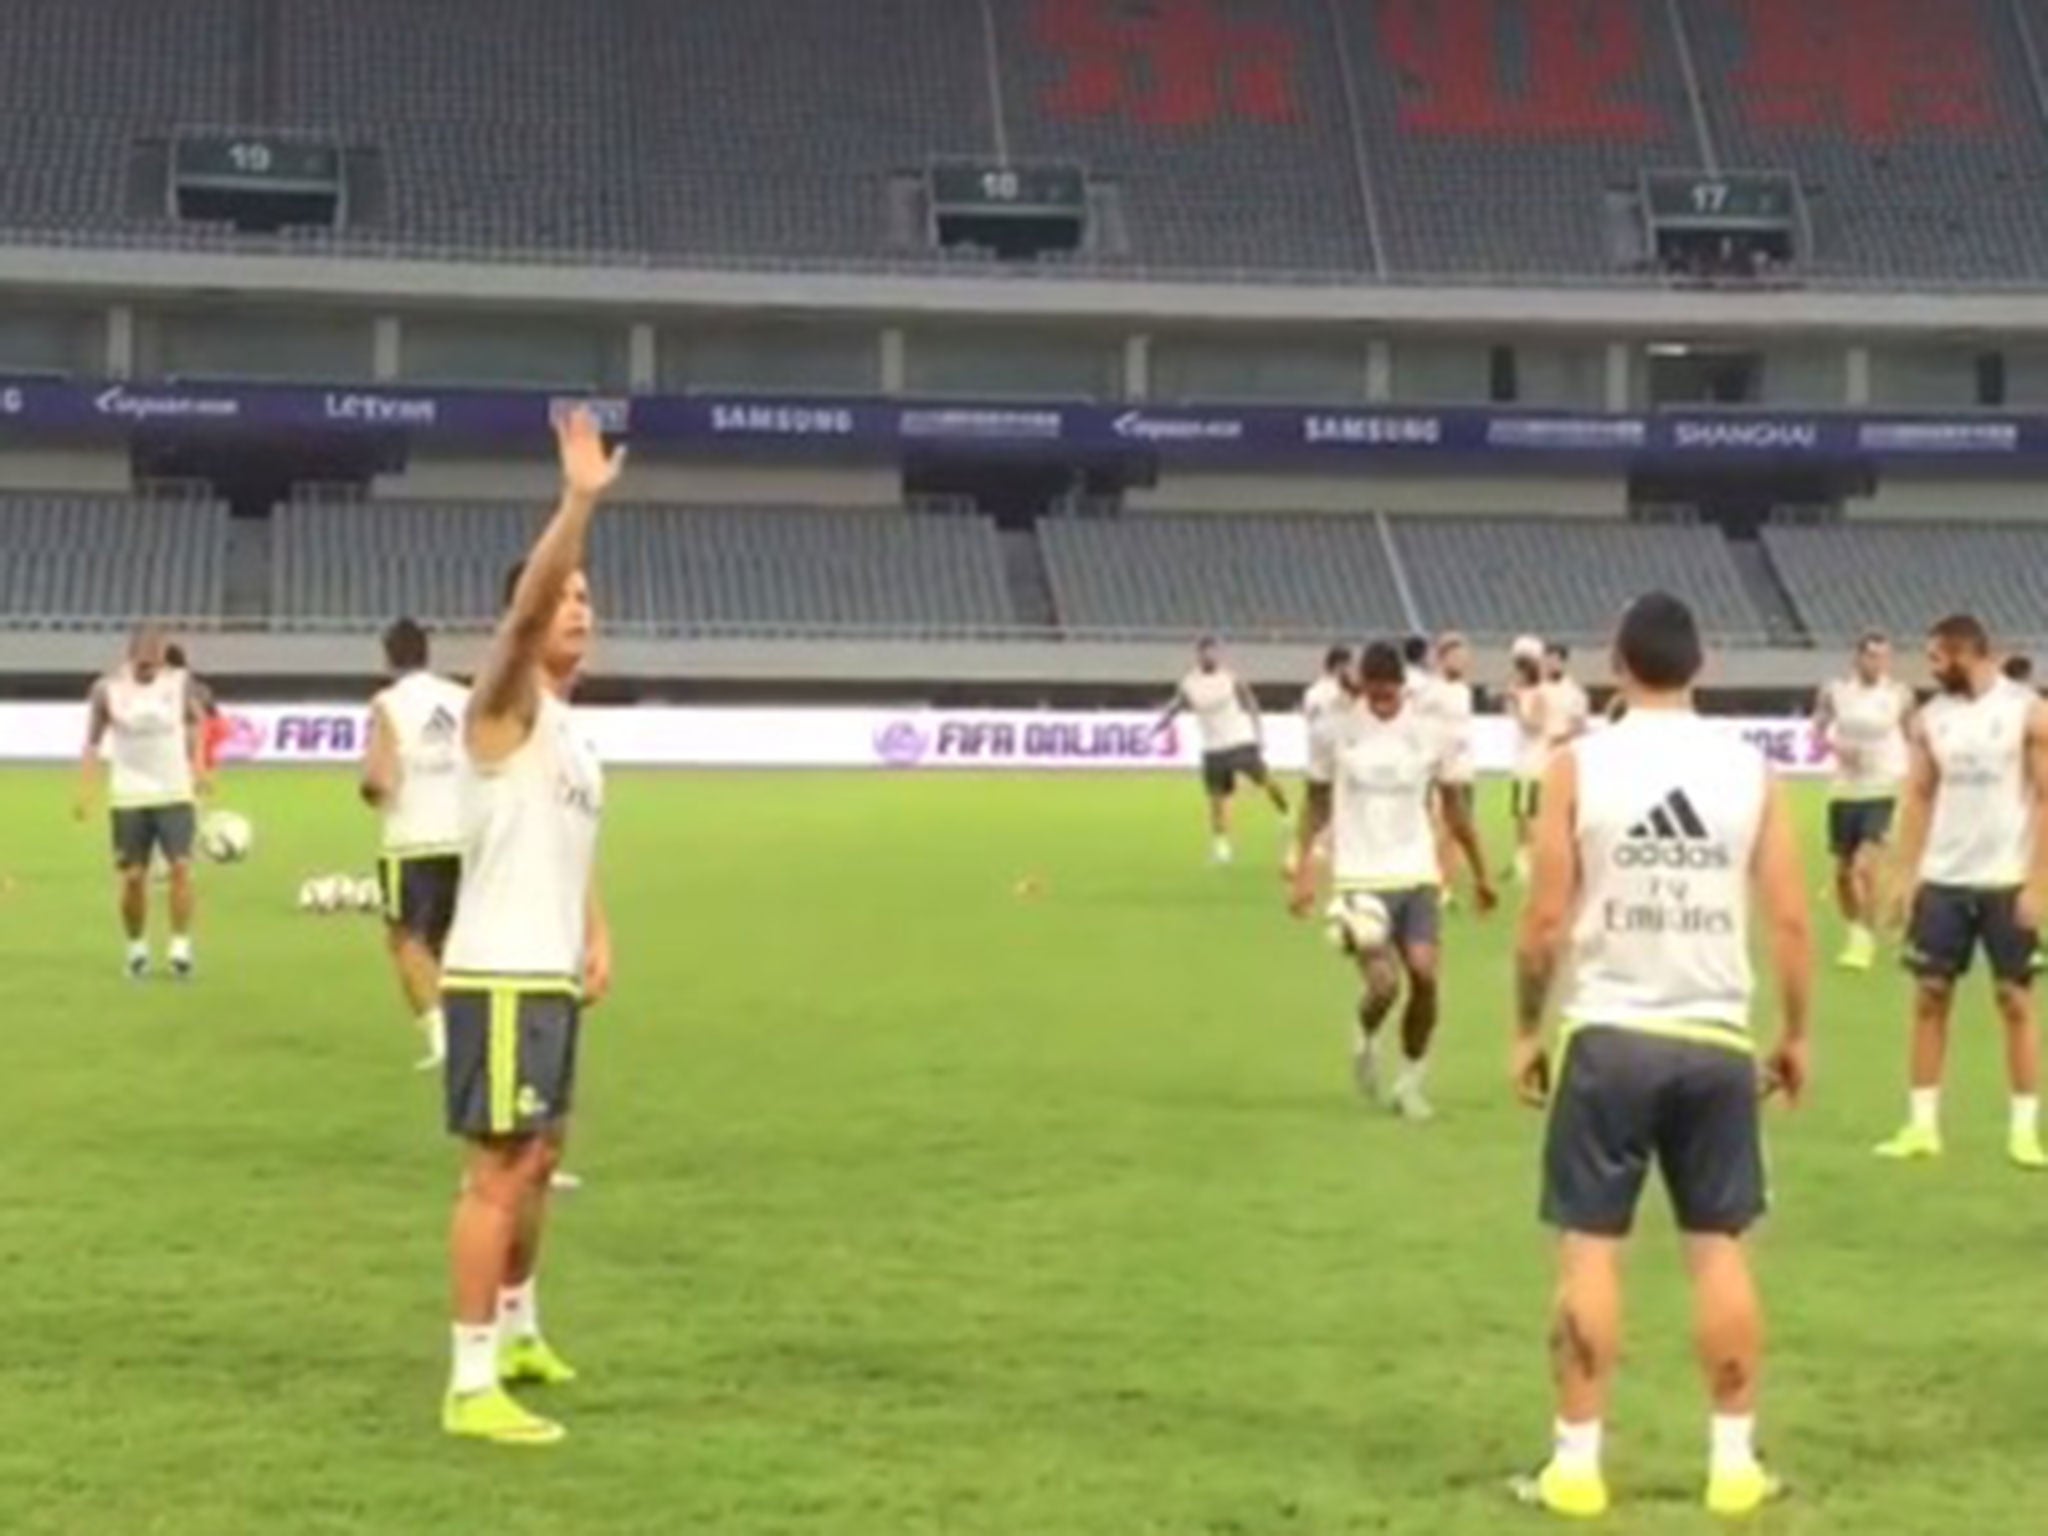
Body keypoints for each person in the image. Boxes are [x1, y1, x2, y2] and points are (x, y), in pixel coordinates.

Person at [1510, 591, 1812, 1519]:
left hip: (1609, 1033)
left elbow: (1546, 919)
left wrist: (1527, 1027)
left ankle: (1576, 1467)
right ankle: (1732, 1467)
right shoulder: (1748, 770)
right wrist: (1796, 1032)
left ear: (1615, 663)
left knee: (1591, 1252)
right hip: (1715, 1035)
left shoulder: (1577, 765)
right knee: (1717, 1250)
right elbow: (1793, 919)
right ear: (1702, 666)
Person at [438, 408, 620, 1446]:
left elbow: (565, 848)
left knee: (539, 1163)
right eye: (566, 598)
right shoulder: (500, 703)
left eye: (590, 599)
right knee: (497, 1173)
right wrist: (579, 505)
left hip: (546, 975)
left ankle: (515, 1332)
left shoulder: (571, 737)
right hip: (500, 975)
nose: (580, 611)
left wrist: (595, 929)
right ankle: (468, 1384)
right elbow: (518, 626)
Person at [1289, 641, 1496, 1120]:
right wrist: (1303, 871)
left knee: (1424, 976)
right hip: (1360, 876)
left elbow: (1456, 809)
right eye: (1373, 693)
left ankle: (1410, 1083)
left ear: (1403, 688)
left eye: (1389, 694)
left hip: (1417, 872)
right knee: (1385, 986)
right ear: (1361, 686)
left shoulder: (1428, 734)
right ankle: (1364, 1036)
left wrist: (1481, 873)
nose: (1382, 701)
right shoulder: (1334, 732)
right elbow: (1316, 802)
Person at [1874, 614, 2048, 1168]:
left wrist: (2040, 882)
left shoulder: (2027, 712)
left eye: (1937, 658)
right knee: (1929, 997)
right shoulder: (1930, 720)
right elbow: (1920, 797)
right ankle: (1921, 1126)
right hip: (1945, 881)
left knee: (2015, 1001)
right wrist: (1906, 874)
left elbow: (2046, 798)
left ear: (1968, 652)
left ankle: (2025, 1131)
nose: (1930, 667)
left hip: (2005, 879)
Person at [361, 618, 470, 1069]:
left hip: (411, 842)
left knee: (405, 940)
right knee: (450, 944)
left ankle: (440, 1035)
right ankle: (472, 1030)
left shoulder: (388, 703)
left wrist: (372, 792)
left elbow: (379, 777)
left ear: (388, 657)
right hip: (462, 838)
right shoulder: (462, 699)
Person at [76, 626, 208, 978]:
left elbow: (199, 721)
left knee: (180, 867)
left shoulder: (179, 683)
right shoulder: (108, 690)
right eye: (143, 664)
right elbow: (92, 740)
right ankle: (136, 948)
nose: (149, 670)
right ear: (130, 657)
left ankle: (180, 947)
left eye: (155, 663)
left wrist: (199, 767)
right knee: (134, 877)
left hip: (175, 791)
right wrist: (86, 791)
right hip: (129, 794)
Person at [1811, 633, 1913, 971]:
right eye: (1871, 656)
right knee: (1842, 872)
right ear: (1858, 658)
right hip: (1844, 791)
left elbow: (1913, 735)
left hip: (1882, 787)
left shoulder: (1899, 694)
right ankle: (1855, 926)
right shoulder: (1835, 691)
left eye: (1884, 657)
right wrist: (1835, 749)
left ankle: (1864, 940)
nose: (1878, 663)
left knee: (1864, 866)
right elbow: (1816, 731)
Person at [1154, 637, 1289, 865]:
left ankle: (1285, 811)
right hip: (1212, 748)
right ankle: (1222, 847)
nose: (1210, 657)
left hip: (1239, 741)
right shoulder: (1190, 683)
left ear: (1218, 654)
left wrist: (1258, 731)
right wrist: (1161, 723)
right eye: (1205, 653)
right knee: (1217, 798)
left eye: (1213, 652)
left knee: (1264, 779)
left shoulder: (1230, 677)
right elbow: (1177, 705)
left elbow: (1250, 701)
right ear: (1198, 655)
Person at [1285, 645, 1352, 878]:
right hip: (1339, 757)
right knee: (1339, 805)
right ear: (1340, 665)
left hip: (1317, 756)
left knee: (1314, 806)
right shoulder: (1342, 691)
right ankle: (1323, 848)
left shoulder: (1312, 691)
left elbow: (1309, 719)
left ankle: (1297, 854)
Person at [1427, 632, 1479, 903]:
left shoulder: (1463, 691)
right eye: (1456, 655)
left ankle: (1445, 883)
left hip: (1462, 768)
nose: (1462, 661)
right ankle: (1435, 879)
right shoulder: (1430, 692)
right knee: (1441, 826)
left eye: (1464, 656)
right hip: (1439, 770)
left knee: (1458, 829)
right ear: (1442, 658)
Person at [1508, 639, 1549, 882]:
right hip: (1520, 757)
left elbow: (1535, 725)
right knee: (1518, 811)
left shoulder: (1539, 695)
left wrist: (1517, 707)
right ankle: (1520, 856)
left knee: (1531, 811)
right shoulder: (1522, 693)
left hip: (1534, 760)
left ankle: (1533, 857)